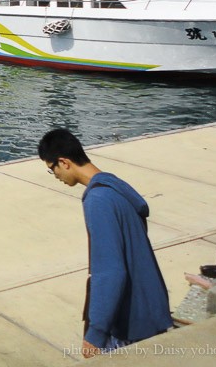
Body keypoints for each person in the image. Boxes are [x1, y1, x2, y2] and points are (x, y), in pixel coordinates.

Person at [37, 128, 173, 358]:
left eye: (52, 170)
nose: (56, 176)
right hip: (151, 310)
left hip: (130, 323)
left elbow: (110, 271)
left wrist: (96, 334)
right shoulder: (114, 187)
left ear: (64, 162)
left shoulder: (98, 200)